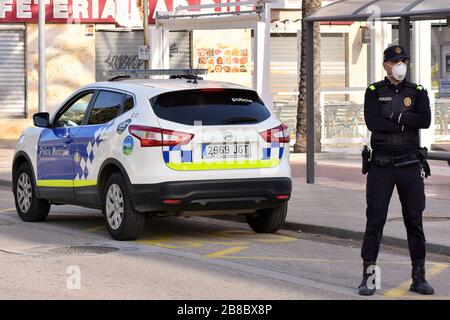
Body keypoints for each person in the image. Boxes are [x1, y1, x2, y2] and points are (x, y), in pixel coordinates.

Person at [359, 45, 434, 296]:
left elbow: (424, 120)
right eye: (395, 61)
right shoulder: (373, 91)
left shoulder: (418, 91)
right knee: (375, 220)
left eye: (403, 60)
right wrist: (404, 120)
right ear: (385, 65)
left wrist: (395, 118)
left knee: (414, 222)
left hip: (410, 165)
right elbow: (373, 122)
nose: (400, 64)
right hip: (381, 166)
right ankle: (369, 277)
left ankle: (419, 277)